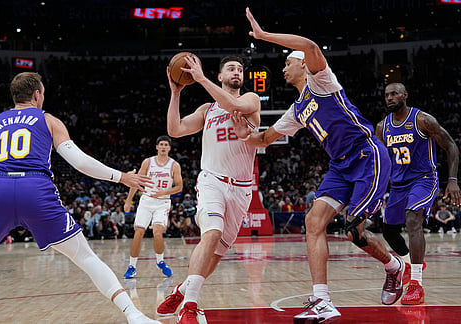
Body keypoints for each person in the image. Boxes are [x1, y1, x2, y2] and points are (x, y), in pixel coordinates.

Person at [230, 8, 406, 323]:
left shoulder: (321, 81)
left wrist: (264, 35)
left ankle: (394, 267)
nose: (284, 68)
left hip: (367, 156)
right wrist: (246, 136)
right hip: (340, 167)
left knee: (354, 229)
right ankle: (322, 300)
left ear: (301, 64)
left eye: (287, 62)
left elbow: (311, 46)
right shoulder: (296, 110)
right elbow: (266, 137)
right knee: (313, 222)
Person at [0, 72, 159, 324]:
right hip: (35, 190)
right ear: (36, 95)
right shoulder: (48, 120)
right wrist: (121, 177)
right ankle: (134, 315)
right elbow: (79, 161)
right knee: (85, 257)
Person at [156, 55, 261, 324]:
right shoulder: (207, 110)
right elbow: (175, 129)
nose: (237, 72)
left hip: (241, 189)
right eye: (230, 69)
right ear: (220, 77)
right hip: (211, 181)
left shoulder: (250, 100)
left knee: (216, 253)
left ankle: (182, 289)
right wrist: (176, 93)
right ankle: (190, 306)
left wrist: (200, 79)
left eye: (239, 69)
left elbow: (233, 104)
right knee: (211, 233)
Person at [375, 82, 461, 305]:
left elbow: (451, 145)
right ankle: (408, 262)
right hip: (398, 184)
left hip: (423, 179)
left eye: (394, 94)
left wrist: (452, 180)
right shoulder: (382, 128)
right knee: (389, 231)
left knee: (413, 220)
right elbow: (383, 162)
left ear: (405, 95)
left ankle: (416, 283)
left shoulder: (422, 120)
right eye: (387, 95)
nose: (390, 98)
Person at [123, 135, 183, 279]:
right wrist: (128, 201)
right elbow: (136, 182)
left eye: (165, 145)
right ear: (157, 147)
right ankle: (132, 266)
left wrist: (165, 192)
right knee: (139, 232)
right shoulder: (148, 162)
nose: (163, 147)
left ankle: (160, 261)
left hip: (162, 202)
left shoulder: (174, 165)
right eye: (161, 144)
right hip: (146, 200)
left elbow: (180, 187)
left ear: (169, 148)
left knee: (157, 232)